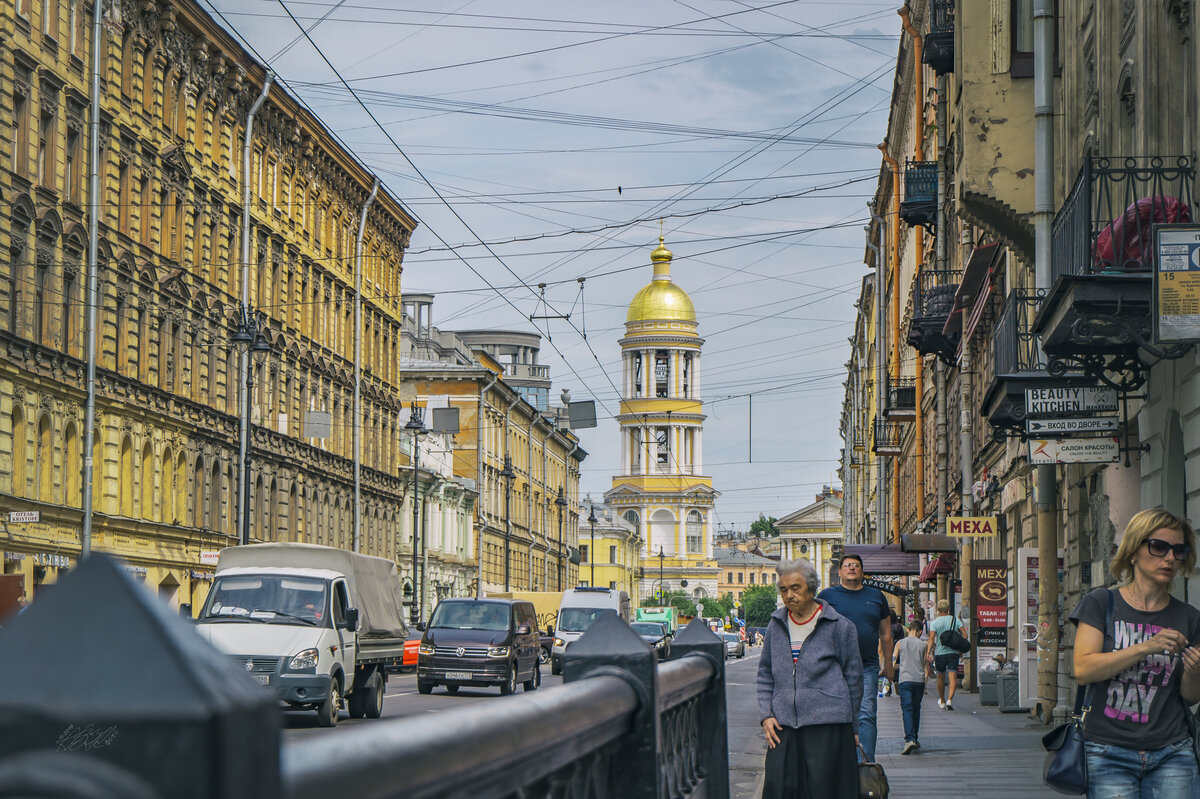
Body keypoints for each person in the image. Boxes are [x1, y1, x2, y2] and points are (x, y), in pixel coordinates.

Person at [1070, 508, 1200, 798]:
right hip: (1107, 751)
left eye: (1178, 550)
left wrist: (1193, 672)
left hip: (1172, 751)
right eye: (1158, 546)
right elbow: (1083, 669)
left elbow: (1191, 696)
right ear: (1132, 552)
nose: (1169, 558)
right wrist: (1146, 646)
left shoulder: (1189, 617)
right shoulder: (1101, 603)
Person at [758, 559, 862, 798]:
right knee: (780, 789)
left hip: (827, 725)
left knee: (824, 791)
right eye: (783, 590)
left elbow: (854, 679)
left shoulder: (839, 626)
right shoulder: (776, 625)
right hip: (783, 727)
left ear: (812, 589)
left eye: (795, 588)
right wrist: (766, 715)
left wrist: (854, 727)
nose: (789, 595)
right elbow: (765, 674)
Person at [817, 554, 893, 761]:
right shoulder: (826, 597)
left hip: (867, 665)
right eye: (847, 565)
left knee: (867, 714)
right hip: (834, 666)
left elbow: (885, 632)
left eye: (856, 565)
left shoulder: (876, 596)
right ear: (840, 572)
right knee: (834, 713)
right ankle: (837, 762)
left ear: (862, 571)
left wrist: (889, 663)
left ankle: (865, 767)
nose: (852, 568)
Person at [895, 619, 929, 755]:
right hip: (919, 680)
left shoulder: (900, 643)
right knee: (916, 709)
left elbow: (893, 661)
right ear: (920, 631)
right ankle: (915, 737)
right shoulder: (924, 645)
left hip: (905, 679)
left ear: (908, 629)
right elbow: (925, 665)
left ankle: (910, 739)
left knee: (907, 709)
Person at [925, 599, 965, 710]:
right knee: (953, 677)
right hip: (953, 652)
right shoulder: (955, 620)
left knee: (940, 677)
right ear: (948, 609)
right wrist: (959, 646)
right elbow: (965, 635)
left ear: (938, 609)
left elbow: (931, 638)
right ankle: (950, 700)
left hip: (940, 653)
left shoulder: (935, 622)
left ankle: (942, 700)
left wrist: (928, 652)